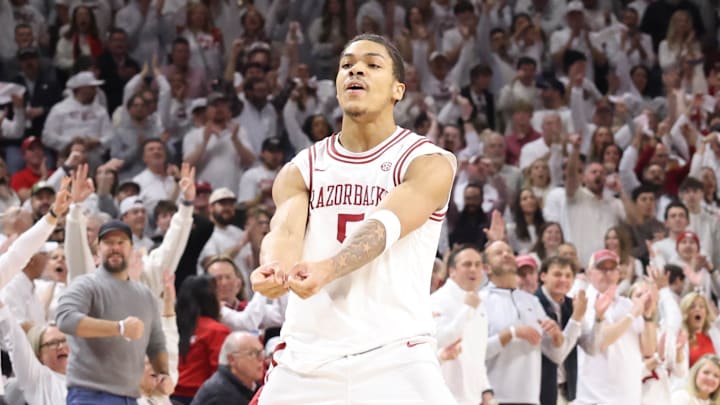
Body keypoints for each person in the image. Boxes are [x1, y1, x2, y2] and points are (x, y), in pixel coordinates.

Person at [251, 34, 458, 404]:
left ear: (398, 89)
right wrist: (275, 269)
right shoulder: (303, 168)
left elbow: (383, 227)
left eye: (372, 64)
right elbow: (284, 229)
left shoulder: (427, 162)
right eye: (347, 65)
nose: (356, 69)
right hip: (306, 360)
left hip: (396, 355)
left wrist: (328, 269)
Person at [55, 218, 171, 403]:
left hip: (130, 396)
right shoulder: (86, 284)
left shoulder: (145, 295)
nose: (114, 247)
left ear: (131, 249)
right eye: (108, 242)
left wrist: (164, 373)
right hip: (90, 394)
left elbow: (156, 343)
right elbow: (65, 319)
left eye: (121, 242)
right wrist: (119, 328)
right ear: (98, 249)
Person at [430, 245, 492, 405]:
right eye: (467, 264)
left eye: (478, 265)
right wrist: (468, 309)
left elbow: (478, 354)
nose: (474, 269)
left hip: (473, 398)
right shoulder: (437, 301)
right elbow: (440, 340)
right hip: (441, 396)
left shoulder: (478, 304)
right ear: (452, 271)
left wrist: (486, 392)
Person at [191, 332, 264, 405]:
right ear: (231, 359)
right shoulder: (219, 394)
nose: (261, 359)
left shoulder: (254, 386)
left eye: (261, 352)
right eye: (252, 353)